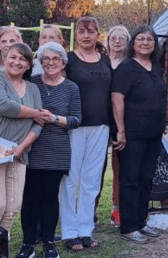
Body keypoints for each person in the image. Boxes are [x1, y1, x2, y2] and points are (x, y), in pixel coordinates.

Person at [15, 42, 81, 258]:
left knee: (50, 198)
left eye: (55, 59)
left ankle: (49, 243)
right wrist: (35, 115)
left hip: (57, 150)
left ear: (63, 63)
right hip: (32, 147)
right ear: (40, 62)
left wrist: (53, 118)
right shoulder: (31, 83)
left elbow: (76, 120)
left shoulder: (72, 87)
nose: (50, 62)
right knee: (30, 197)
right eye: (46, 59)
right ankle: (27, 244)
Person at [59, 16, 111, 251]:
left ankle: (85, 230)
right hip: (74, 127)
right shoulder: (68, 61)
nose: (87, 35)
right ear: (76, 35)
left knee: (91, 182)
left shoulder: (106, 60)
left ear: (97, 34)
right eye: (82, 31)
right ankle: (70, 232)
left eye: (91, 31)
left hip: (101, 126)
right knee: (70, 180)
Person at [111, 25, 166, 243]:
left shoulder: (156, 66)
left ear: (155, 45)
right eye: (141, 39)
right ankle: (128, 226)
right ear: (133, 43)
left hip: (153, 134)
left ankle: (141, 222)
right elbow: (117, 99)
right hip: (132, 134)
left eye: (149, 40)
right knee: (130, 179)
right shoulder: (126, 67)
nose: (145, 43)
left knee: (146, 179)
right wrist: (121, 131)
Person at [0, 43, 47, 240]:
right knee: (0, 204)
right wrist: (35, 113)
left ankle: (3, 246)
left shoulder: (34, 89)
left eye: (22, 59)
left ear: (29, 65)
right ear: (5, 58)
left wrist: (20, 148)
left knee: (13, 206)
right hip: (0, 151)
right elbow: (4, 106)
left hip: (19, 153)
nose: (16, 62)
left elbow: (39, 124)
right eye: (13, 57)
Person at [106, 25, 130, 227]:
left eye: (122, 38)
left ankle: (117, 211)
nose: (117, 41)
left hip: (121, 123)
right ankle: (90, 213)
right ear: (108, 41)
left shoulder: (130, 65)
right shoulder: (101, 63)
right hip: (98, 121)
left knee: (119, 168)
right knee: (95, 170)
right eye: (113, 37)